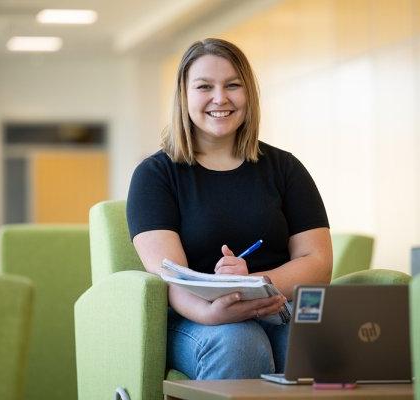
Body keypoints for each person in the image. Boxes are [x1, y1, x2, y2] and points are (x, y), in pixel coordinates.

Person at [126, 38, 332, 380]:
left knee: (316, 343)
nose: (220, 98)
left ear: (248, 94)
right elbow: (170, 277)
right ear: (184, 96)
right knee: (241, 344)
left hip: (279, 304)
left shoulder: (285, 168)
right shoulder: (155, 175)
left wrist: (251, 283)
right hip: (194, 317)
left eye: (232, 85)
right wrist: (211, 313)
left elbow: (318, 263)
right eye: (204, 86)